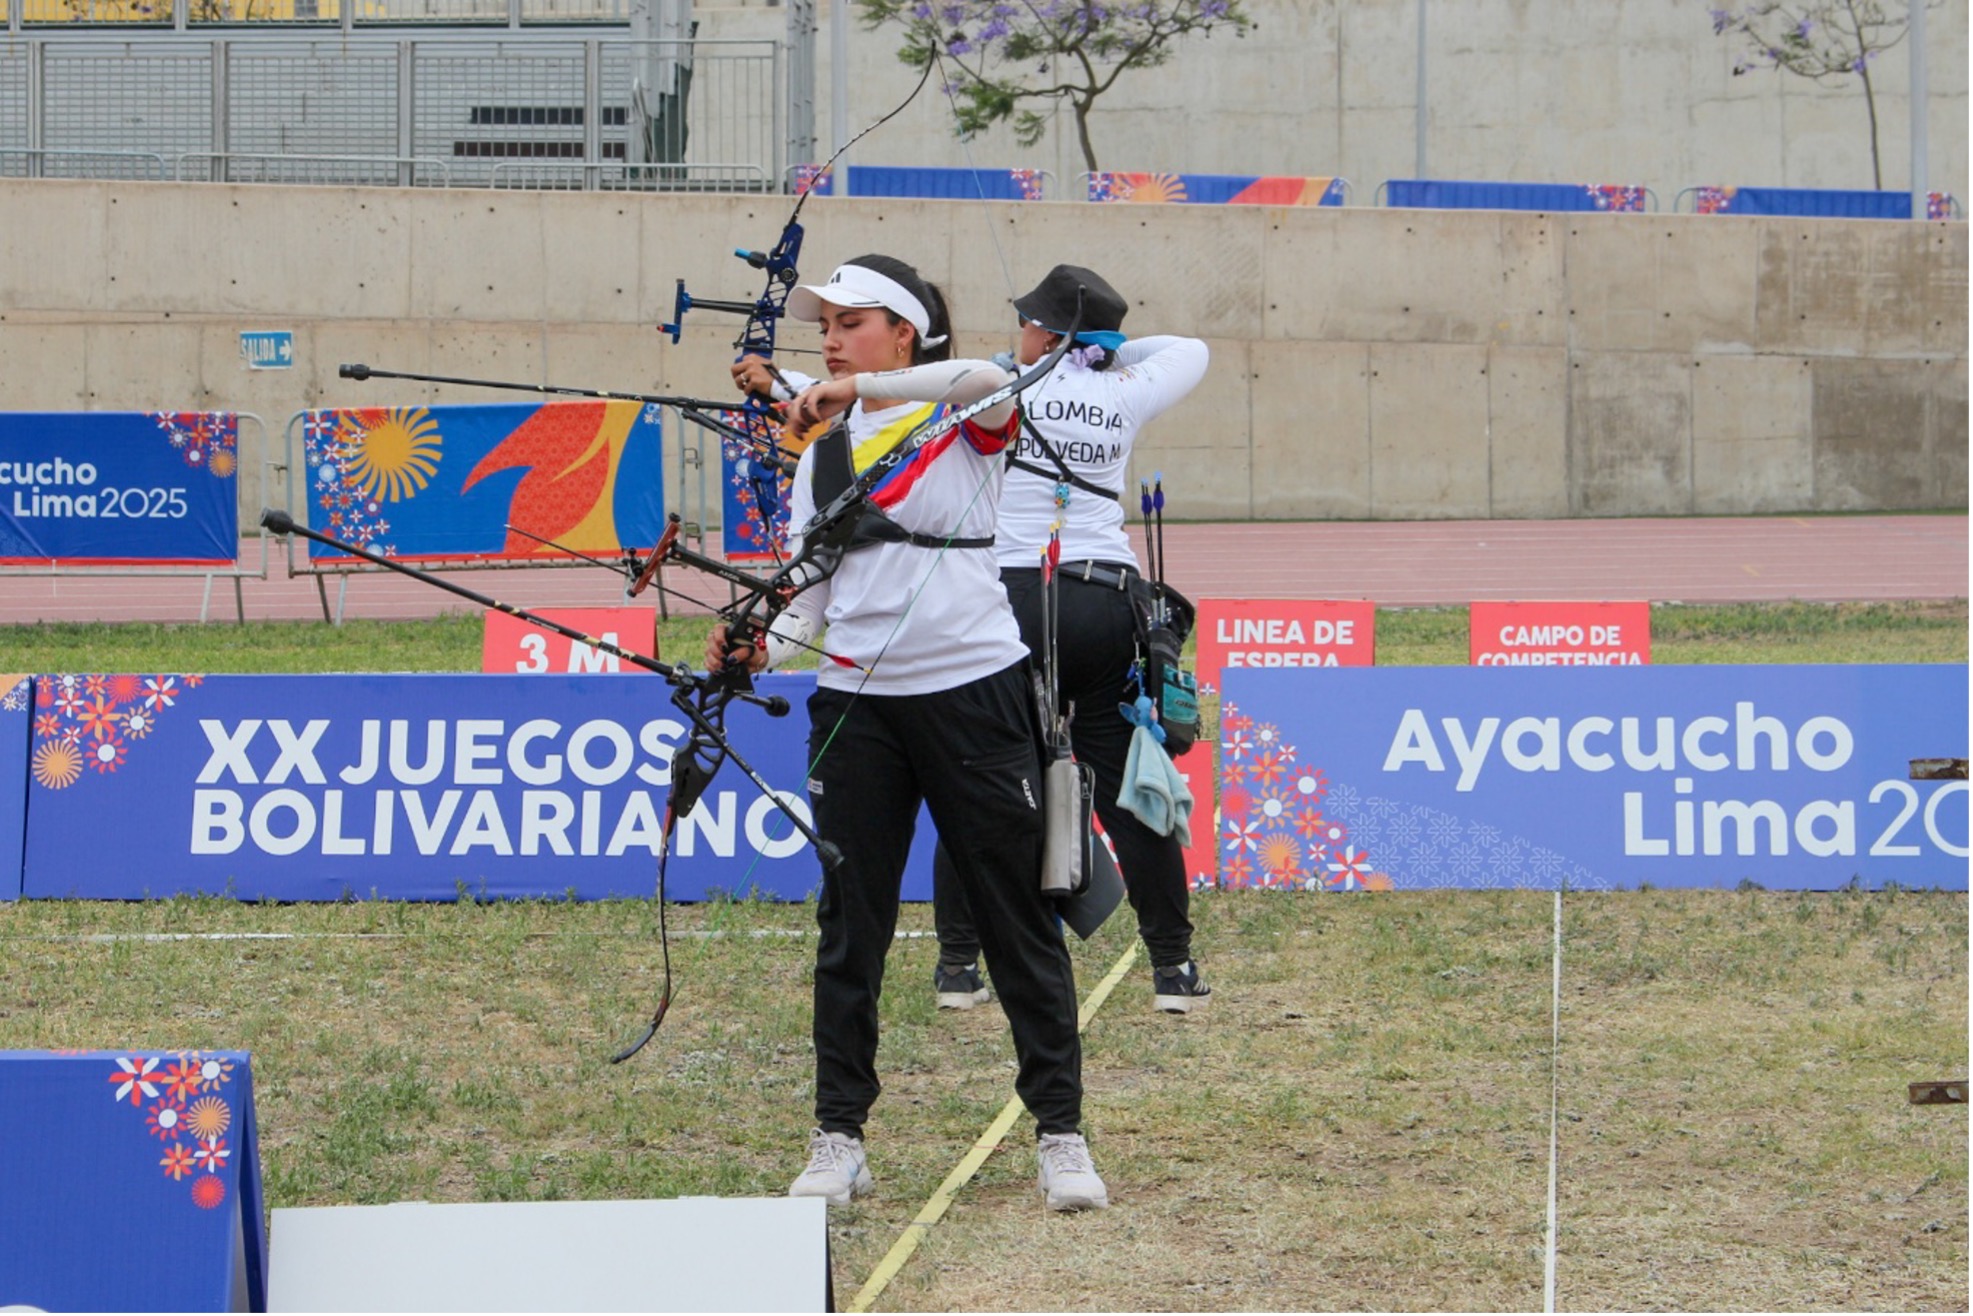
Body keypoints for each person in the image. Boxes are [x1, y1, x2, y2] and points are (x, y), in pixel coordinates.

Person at [710, 253, 1108, 1212]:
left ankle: (1060, 1133)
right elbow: (817, 582)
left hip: (973, 693)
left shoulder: (961, 419)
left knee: (1017, 920)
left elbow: (984, 375)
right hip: (856, 706)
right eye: (825, 331)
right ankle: (838, 1135)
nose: (830, 342)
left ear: (899, 334)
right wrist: (764, 635)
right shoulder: (824, 452)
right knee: (853, 929)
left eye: (850, 324)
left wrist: (853, 387)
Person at [929, 264, 1213, 1015]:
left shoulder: (993, 386)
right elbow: (1189, 348)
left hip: (1012, 598)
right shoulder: (1123, 389)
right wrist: (1104, 355)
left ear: (1050, 335)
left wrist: (1050, 359)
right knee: (1124, 784)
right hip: (1104, 602)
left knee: (981, 778)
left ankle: (958, 967)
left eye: (1029, 323)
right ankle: (1172, 970)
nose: (1016, 331)